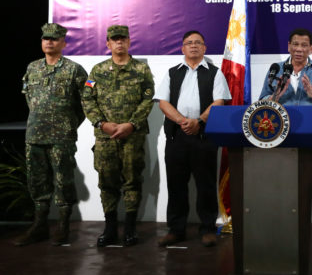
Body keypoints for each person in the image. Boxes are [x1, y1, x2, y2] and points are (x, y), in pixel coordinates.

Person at [155, 31, 231, 247]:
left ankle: (207, 229)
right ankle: (176, 230)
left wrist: (198, 121)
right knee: (176, 185)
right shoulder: (172, 73)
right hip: (177, 136)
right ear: (183, 48)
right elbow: (163, 102)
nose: (194, 46)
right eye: (189, 43)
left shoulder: (215, 73)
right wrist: (183, 121)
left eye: (198, 42)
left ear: (205, 48)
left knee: (206, 185)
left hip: (204, 136)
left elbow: (219, 102)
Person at [15, 23, 88, 246]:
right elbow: (28, 97)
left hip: (61, 136)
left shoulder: (74, 70)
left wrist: (69, 124)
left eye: (54, 39)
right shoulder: (33, 67)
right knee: (37, 181)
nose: (49, 42)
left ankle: (63, 226)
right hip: (35, 134)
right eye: (45, 38)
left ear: (63, 43)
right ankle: (40, 226)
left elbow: (86, 102)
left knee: (63, 180)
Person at [82, 25, 154, 247]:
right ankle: (110, 227)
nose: (119, 42)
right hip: (105, 138)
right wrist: (101, 124)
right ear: (108, 43)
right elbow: (87, 98)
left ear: (129, 42)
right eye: (115, 39)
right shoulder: (97, 70)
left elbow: (148, 99)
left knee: (132, 180)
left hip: (133, 136)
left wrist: (131, 124)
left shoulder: (141, 69)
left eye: (123, 39)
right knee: (107, 182)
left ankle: (130, 228)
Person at [258, 28, 312, 110]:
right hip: (281, 118)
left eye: (304, 45)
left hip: (311, 118)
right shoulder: (276, 70)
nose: (299, 49)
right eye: (295, 44)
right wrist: (276, 96)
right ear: (289, 46)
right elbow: (261, 105)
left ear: (311, 48)